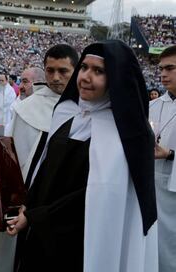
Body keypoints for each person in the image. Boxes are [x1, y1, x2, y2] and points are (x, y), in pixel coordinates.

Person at [8, 40, 158, 272]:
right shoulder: (67, 114)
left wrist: (38, 216)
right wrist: (29, 207)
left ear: (117, 78)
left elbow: (100, 196)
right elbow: (45, 168)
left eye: (99, 71)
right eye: (84, 67)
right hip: (43, 231)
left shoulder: (129, 134)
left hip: (86, 240)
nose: (85, 77)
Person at [0, 46, 79, 272]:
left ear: (76, 70)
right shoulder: (26, 108)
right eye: (50, 70)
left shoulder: (85, 110)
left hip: (60, 198)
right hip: (24, 193)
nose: (56, 77)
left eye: (63, 71)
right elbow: (11, 155)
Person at [150, 45, 176, 272]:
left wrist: (170, 154)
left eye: (170, 68)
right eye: (161, 69)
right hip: (153, 189)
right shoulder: (152, 106)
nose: (163, 74)